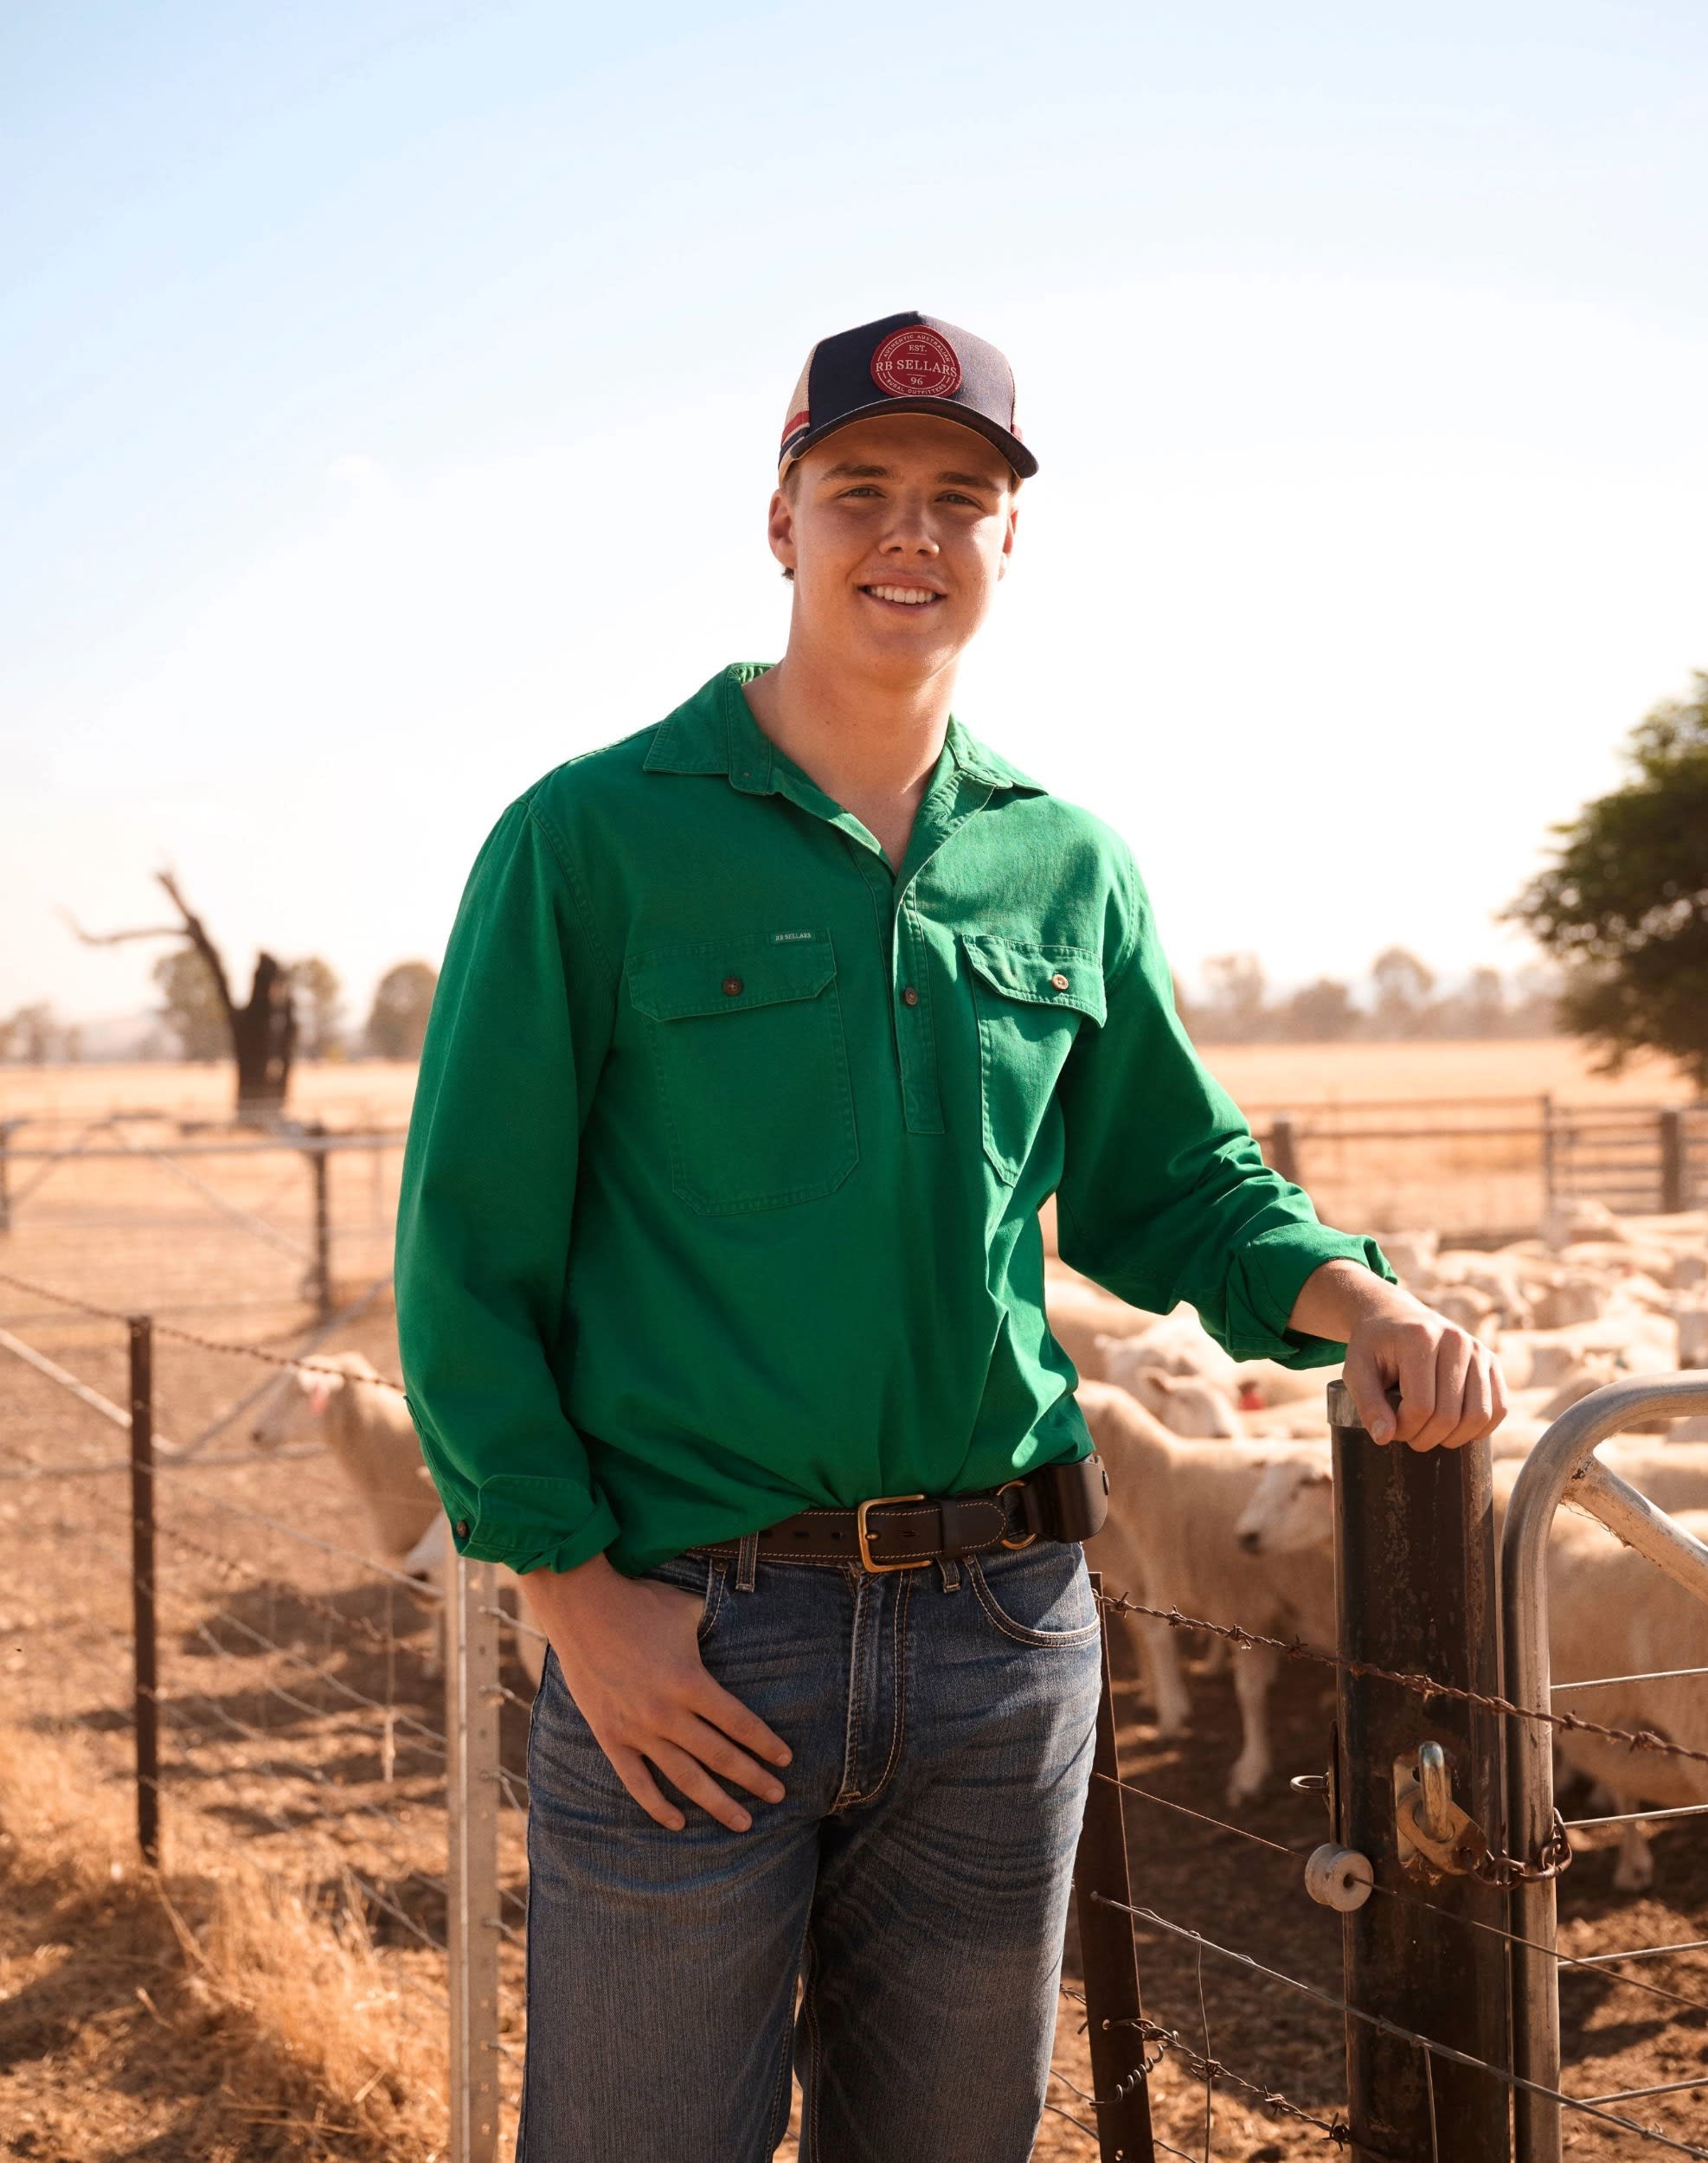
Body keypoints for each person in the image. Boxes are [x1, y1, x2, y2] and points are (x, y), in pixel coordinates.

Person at [395, 310, 1506, 2161]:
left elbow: (1176, 1179)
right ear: (780, 522)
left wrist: (1361, 1301)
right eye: (861, 490)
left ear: (1008, 538)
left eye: (958, 497)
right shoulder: (588, 839)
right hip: (693, 1630)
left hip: (1002, 1636)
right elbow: (464, 1256)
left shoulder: (1064, 859)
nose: (910, 532)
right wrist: (574, 1595)